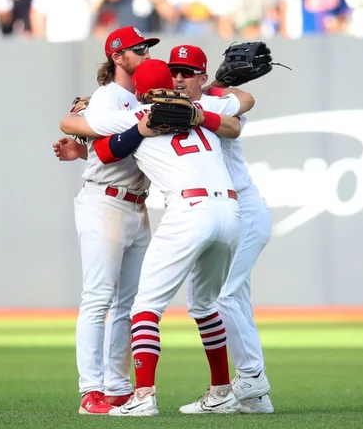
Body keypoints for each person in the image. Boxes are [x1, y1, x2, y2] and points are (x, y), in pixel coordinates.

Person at [57, 58, 255, 416]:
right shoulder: (202, 105)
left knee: (143, 307)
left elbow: (95, 143)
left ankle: (143, 395)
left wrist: (100, 114)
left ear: (141, 91)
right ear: (171, 82)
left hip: (190, 209)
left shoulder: (137, 113)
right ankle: (222, 390)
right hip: (230, 211)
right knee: (206, 305)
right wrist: (212, 96)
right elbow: (244, 105)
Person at [54, 26, 160, 415]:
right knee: (98, 298)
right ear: (118, 56)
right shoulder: (107, 96)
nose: (146, 52)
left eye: (147, 47)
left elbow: (112, 148)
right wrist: (82, 127)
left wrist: (83, 152)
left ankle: (117, 386)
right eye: (138, 48)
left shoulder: (139, 98)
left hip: (137, 204)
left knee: (128, 303)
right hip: (105, 202)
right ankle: (91, 391)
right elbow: (92, 129)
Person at [165, 44, 274, 414]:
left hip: (243, 207)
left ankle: (250, 377)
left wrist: (213, 89)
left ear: (200, 74)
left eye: (187, 71)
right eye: (174, 70)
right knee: (232, 299)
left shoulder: (218, 101)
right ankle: (257, 399)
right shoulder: (173, 103)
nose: (178, 77)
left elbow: (245, 103)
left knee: (223, 296)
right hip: (225, 212)